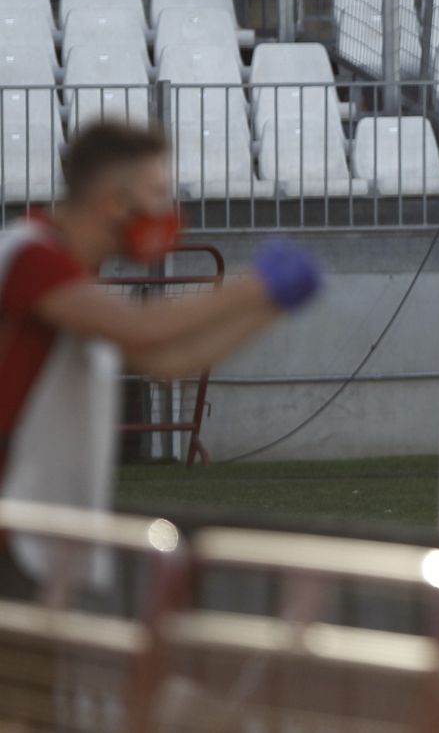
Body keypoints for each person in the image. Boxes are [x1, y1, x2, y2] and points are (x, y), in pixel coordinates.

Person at [0, 123, 321, 587]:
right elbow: (144, 330)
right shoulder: (32, 256)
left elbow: (166, 364)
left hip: (35, 534)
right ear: (113, 202)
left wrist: (267, 307)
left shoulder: (67, 275)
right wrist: (253, 287)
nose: (169, 209)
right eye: (158, 192)